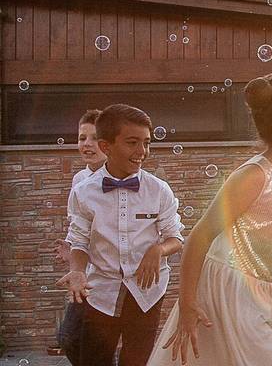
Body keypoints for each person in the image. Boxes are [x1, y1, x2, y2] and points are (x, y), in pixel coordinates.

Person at [148, 72, 272, 366]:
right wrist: (187, 302)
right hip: (229, 289)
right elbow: (200, 236)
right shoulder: (254, 175)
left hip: (264, 292)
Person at [57, 104, 184, 366]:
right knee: (93, 359)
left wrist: (158, 249)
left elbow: (175, 237)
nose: (142, 152)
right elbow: (78, 240)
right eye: (132, 143)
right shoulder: (84, 192)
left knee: (136, 360)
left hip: (147, 293)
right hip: (101, 292)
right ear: (106, 146)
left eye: (146, 143)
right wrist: (78, 271)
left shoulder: (159, 190)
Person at [54, 108, 107, 364]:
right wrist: (71, 252)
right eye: (82, 137)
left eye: (95, 138)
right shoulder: (80, 179)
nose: (87, 144)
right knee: (69, 337)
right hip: (84, 276)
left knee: (87, 341)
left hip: (110, 277)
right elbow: (78, 226)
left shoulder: (120, 178)